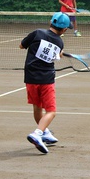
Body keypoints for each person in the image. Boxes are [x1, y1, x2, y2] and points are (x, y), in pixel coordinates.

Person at [19, 12, 72, 154]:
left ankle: (45, 132)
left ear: (50, 22)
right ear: (64, 30)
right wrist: (59, 52)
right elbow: (56, 56)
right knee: (51, 111)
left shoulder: (37, 33)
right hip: (46, 80)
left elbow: (21, 46)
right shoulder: (60, 42)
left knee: (37, 108)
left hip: (30, 78)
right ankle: (37, 133)